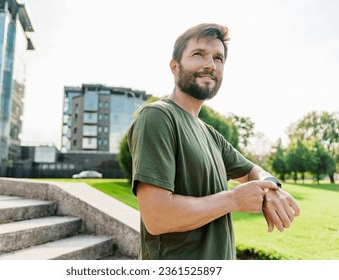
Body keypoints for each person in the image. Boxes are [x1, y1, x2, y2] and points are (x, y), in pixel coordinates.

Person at [127, 23, 300, 260]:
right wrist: (233, 199)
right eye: (198, 54)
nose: (210, 64)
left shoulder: (211, 135)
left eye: (218, 58)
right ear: (174, 66)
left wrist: (272, 189)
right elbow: (157, 217)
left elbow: (252, 171)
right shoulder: (157, 117)